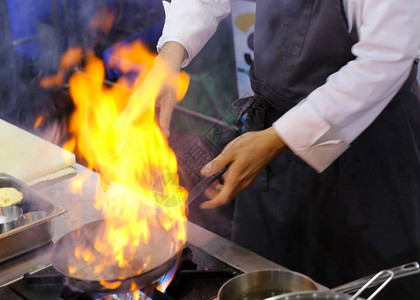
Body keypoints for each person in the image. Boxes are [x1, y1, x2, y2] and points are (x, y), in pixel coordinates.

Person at [127, 0, 420, 298]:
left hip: (367, 149)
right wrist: (170, 55)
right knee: (263, 278)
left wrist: (279, 138)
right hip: (271, 138)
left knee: (366, 284)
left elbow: (387, 57)